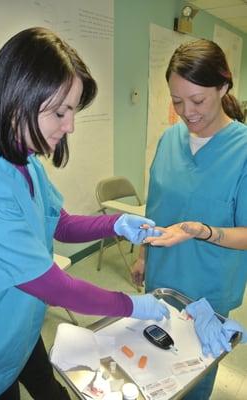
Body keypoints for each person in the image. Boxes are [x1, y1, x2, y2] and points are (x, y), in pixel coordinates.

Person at [0, 27, 169, 400]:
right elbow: (55, 285)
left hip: (23, 327)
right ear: (19, 100)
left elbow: (61, 223)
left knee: (53, 390)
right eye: (60, 112)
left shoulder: (25, 159)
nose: (70, 127)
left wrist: (115, 222)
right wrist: (130, 305)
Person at [132, 38, 247, 400]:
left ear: (224, 86)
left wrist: (204, 231)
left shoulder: (242, 150)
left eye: (198, 100)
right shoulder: (169, 139)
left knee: (194, 379)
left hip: (208, 290)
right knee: (159, 367)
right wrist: (143, 255)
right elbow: (156, 207)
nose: (187, 112)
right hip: (162, 280)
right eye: (177, 101)